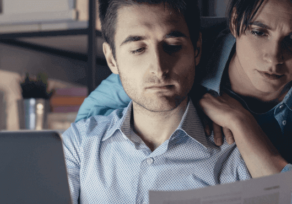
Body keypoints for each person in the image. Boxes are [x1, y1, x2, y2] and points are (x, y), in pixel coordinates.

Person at [62, 0, 252, 203]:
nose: (159, 68)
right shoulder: (80, 145)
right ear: (111, 59)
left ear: (196, 49)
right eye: (137, 49)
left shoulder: (235, 157)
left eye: (173, 46)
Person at [76, 0, 292, 178]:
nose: (273, 57)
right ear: (235, 21)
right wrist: (182, 101)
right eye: (259, 32)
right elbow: (91, 124)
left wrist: (242, 122)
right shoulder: (177, 43)